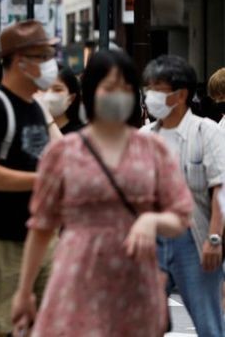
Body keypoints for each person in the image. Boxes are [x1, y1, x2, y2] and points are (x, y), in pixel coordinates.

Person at [11, 50, 194, 336]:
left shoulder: (153, 149)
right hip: (76, 273)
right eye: (110, 87)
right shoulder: (63, 151)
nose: (118, 94)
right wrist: (24, 291)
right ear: (92, 91)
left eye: (126, 87)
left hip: (135, 281)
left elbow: (182, 215)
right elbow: (41, 226)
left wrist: (151, 221)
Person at [0, 20, 62, 337]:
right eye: (44, 55)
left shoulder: (34, 107)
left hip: (38, 235)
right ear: (20, 60)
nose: (51, 63)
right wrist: (41, 181)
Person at [141, 55, 225, 336]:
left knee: (209, 324)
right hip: (150, 241)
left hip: (194, 238)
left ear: (181, 94)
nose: (150, 96)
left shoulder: (207, 132)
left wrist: (214, 239)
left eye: (159, 89)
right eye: (148, 88)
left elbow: (220, 190)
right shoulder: (144, 137)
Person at [39, 64, 85, 134]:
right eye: (44, 88)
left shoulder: (82, 134)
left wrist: (49, 120)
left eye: (57, 90)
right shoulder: (30, 129)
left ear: (71, 98)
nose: (48, 94)